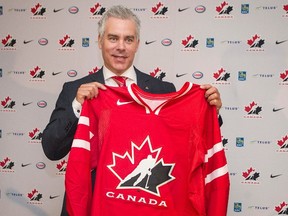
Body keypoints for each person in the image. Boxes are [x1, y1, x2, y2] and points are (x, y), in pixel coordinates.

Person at [41, 5, 223, 216]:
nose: (121, 47)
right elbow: (51, 149)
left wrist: (211, 111)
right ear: (100, 41)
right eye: (113, 38)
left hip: (148, 207)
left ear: (137, 44)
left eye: (128, 39)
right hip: (91, 208)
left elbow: (192, 141)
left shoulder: (162, 90)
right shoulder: (75, 90)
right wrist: (78, 106)